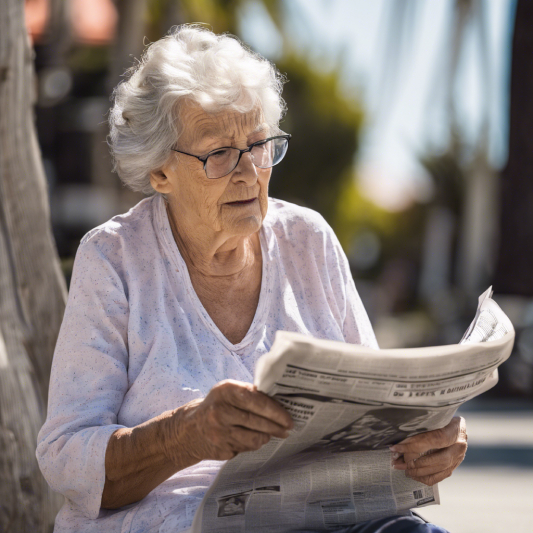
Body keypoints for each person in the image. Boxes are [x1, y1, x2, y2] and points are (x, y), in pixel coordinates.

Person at [36, 24, 467, 533]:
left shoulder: (308, 239)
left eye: (259, 145)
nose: (248, 172)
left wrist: (428, 442)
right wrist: (186, 435)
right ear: (159, 173)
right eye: (218, 153)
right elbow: (67, 460)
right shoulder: (114, 258)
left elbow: (374, 413)